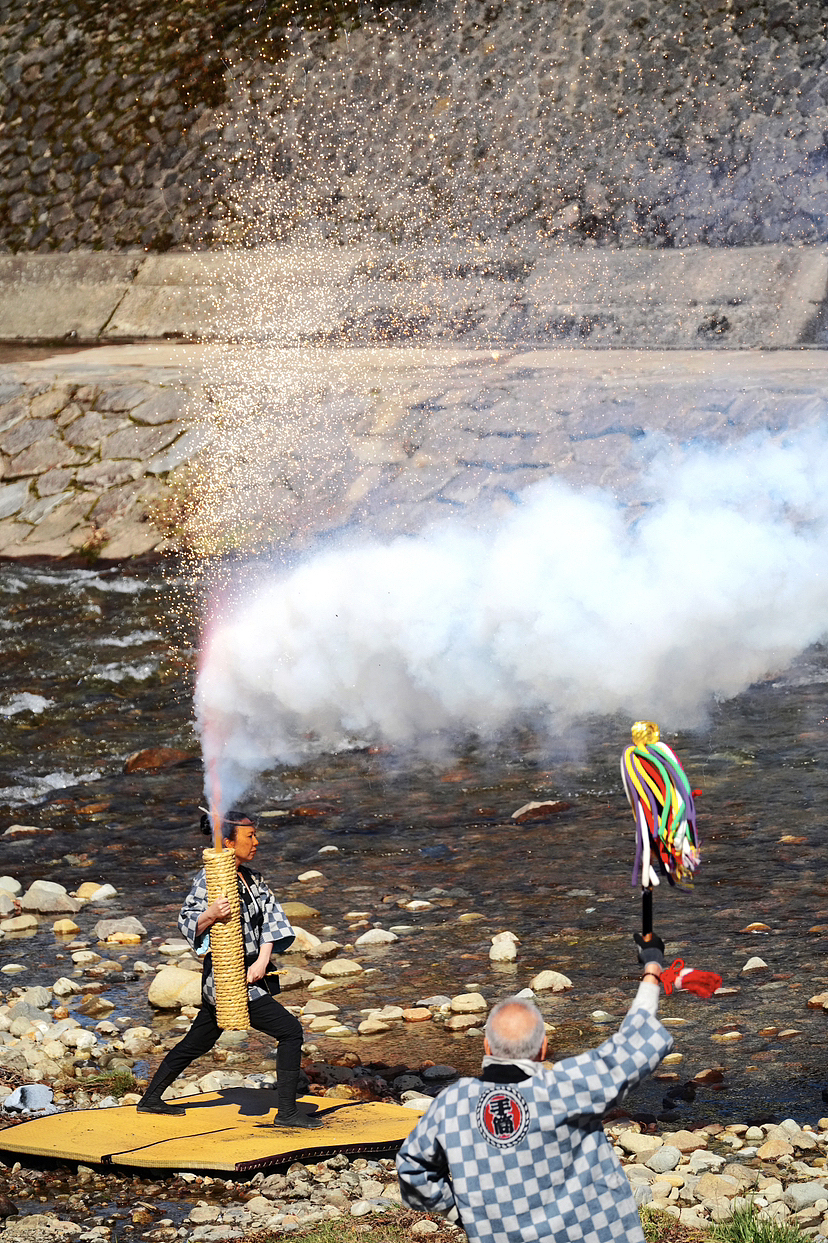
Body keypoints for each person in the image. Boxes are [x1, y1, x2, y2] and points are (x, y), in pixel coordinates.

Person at [396, 935, 671, 1243]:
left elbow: (411, 1168)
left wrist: (458, 1212)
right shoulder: (566, 1087)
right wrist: (652, 968)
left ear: (487, 1046)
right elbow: (635, 1044)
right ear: (544, 1049)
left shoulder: (452, 1105)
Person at [137, 810, 322, 1129]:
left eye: (255, 835)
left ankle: (150, 1099)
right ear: (227, 842)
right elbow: (187, 920)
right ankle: (287, 1113)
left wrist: (264, 960)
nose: (256, 841)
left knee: (198, 1042)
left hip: (250, 975)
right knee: (290, 1031)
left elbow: (272, 919)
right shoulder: (208, 879)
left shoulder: (252, 878)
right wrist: (210, 915)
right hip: (226, 981)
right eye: (249, 836)